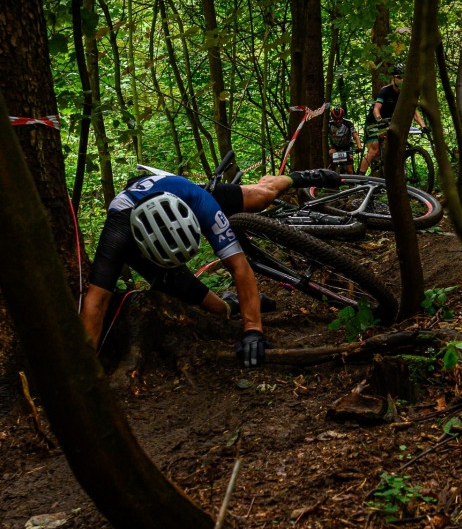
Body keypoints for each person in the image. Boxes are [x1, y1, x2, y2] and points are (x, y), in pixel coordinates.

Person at [80, 166, 342, 367]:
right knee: (211, 307)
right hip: (135, 221)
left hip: (182, 193)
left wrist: (253, 330)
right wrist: (85, 371)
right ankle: (230, 304)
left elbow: (239, 267)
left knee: (263, 196)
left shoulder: (200, 202)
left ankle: (300, 176)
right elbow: (96, 301)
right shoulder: (118, 234)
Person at [358, 63, 427, 175]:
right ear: (393, 78)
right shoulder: (385, 91)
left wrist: (423, 126)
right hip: (374, 123)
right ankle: (360, 178)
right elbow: (376, 109)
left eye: (404, 77)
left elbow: (414, 112)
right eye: (399, 77)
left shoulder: (406, 94)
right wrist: (380, 120)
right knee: (374, 150)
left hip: (390, 122)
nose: (402, 80)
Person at [328, 106, 362, 174]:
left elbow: (355, 135)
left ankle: (352, 184)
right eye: (335, 119)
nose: (338, 121)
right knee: (331, 161)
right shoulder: (329, 124)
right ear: (332, 118)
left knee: (349, 170)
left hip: (347, 146)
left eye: (340, 119)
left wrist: (359, 145)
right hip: (335, 146)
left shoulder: (348, 123)